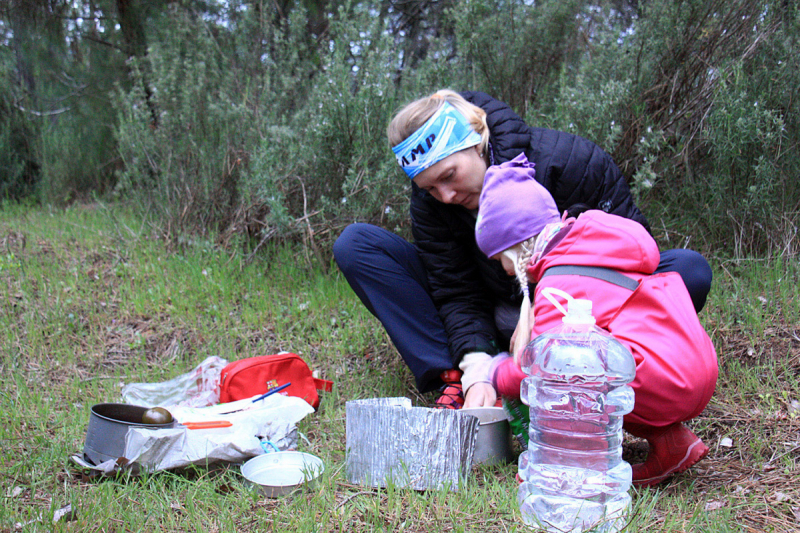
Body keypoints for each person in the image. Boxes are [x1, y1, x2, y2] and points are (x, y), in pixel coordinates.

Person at [333, 89, 713, 410]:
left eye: (449, 176)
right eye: (430, 187)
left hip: (580, 309)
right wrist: (476, 365)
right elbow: (455, 290)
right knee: (358, 245)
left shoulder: (570, 161)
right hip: (494, 311)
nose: (445, 196)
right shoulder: (432, 204)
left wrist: (539, 301)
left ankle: (588, 365)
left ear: (477, 140)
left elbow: (631, 253)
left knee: (686, 272)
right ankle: (463, 376)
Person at [473, 154, 718, 486]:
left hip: (667, 381)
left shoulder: (561, 283)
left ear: (519, 249)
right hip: (691, 370)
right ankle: (671, 443)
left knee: (567, 376)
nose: (502, 269)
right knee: (606, 355)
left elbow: (543, 365)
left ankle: (573, 464)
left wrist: (495, 372)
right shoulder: (590, 244)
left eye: (501, 258)